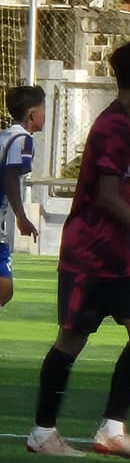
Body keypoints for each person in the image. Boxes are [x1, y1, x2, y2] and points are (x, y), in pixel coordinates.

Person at [26, 41, 130, 459]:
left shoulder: (125, 123)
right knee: (71, 340)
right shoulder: (112, 127)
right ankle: (43, 433)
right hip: (92, 252)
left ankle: (111, 431)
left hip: (121, 253)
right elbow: (106, 197)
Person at [1, 85, 46, 309]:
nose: (45, 116)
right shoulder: (23, 140)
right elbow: (10, 175)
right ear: (32, 114)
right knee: (4, 288)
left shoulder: (6, 135)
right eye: (43, 110)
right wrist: (21, 216)